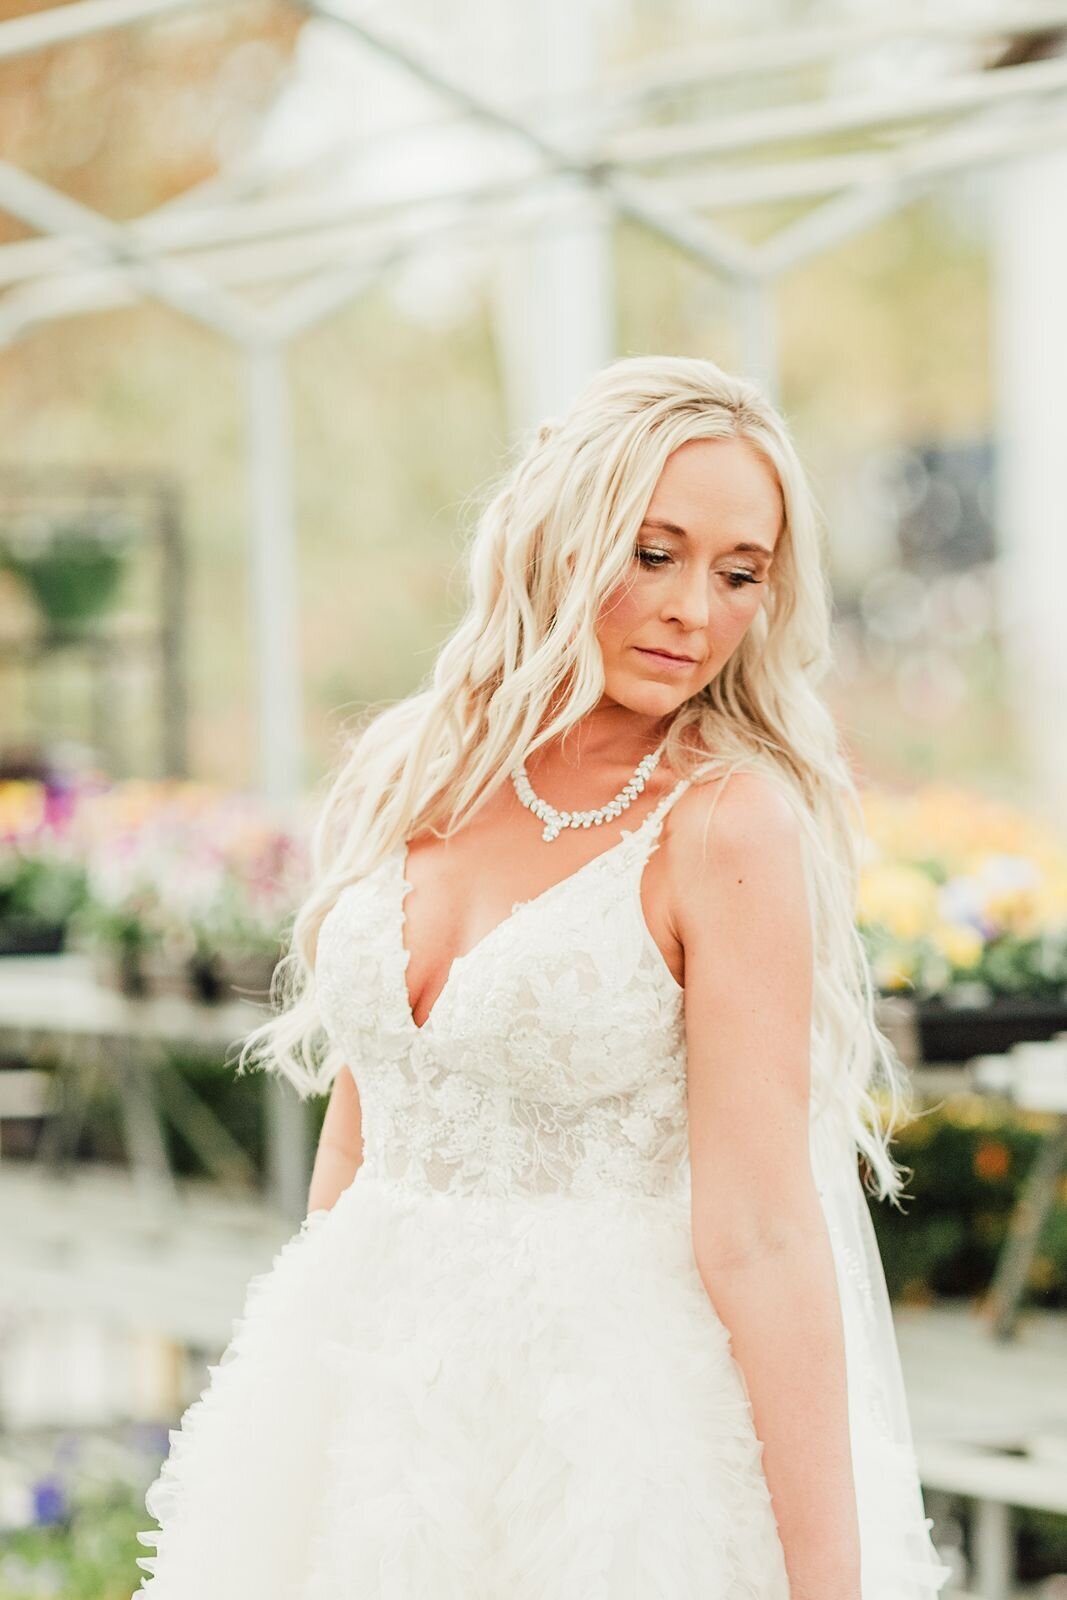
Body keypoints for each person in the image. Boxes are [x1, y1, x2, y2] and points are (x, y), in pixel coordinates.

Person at [133, 355, 952, 1599]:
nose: (694, 609)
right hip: (366, 1411)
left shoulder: (724, 823)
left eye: (739, 573)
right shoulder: (410, 767)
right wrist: (300, 1410)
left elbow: (764, 1228)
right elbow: (361, 1134)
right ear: (557, 538)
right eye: (653, 551)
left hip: (603, 1440)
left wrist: (824, 1581)